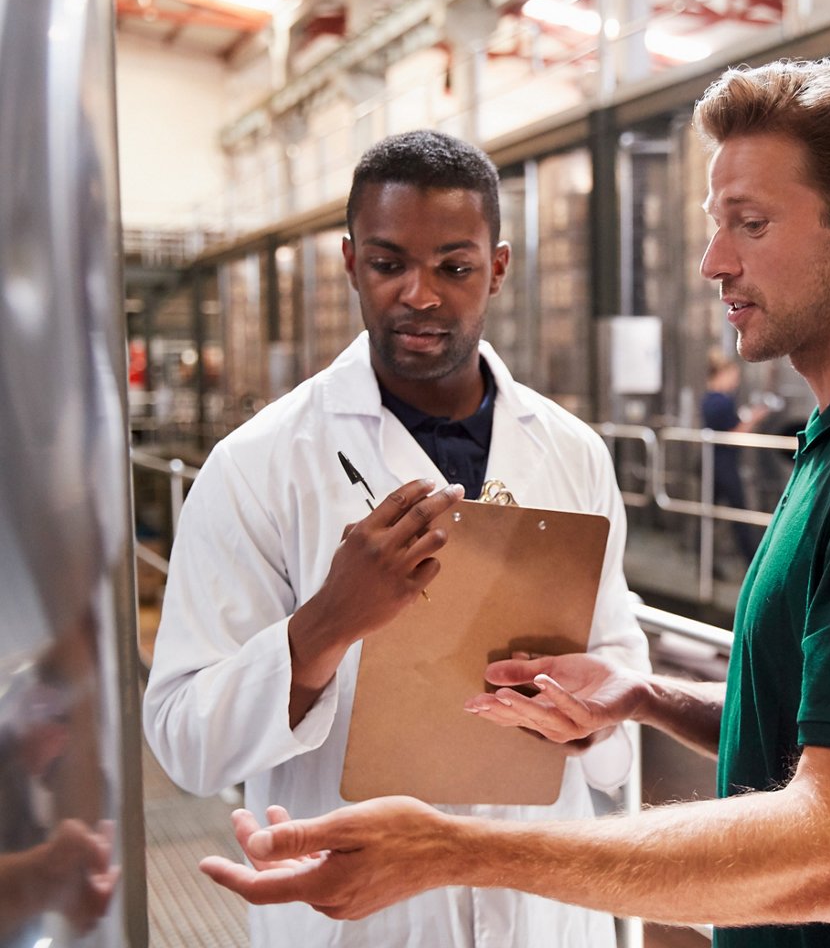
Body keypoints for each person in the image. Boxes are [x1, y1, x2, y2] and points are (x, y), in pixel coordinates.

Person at [200, 58, 830, 948]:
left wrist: (454, 849)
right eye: (713, 223)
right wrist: (647, 695)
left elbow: (828, 856)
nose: (712, 261)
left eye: (750, 224)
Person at [143, 130, 651, 947]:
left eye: (453, 266)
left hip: (540, 905)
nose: (419, 294)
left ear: (498, 267)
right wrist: (328, 623)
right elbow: (182, 742)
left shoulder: (571, 452)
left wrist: (592, 720)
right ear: (350, 263)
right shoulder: (260, 465)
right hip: (366, 921)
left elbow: (619, 655)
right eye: (388, 264)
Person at [701, 351, 767, 564]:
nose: (736, 381)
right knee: (739, 513)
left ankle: (705, 563)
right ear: (723, 374)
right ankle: (752, 562)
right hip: (724, 465)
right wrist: (753, 419)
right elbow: (732, 435)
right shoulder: (720, 402)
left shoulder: (711, 399)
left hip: (713, 463)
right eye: (733, 376)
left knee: (707, 513)